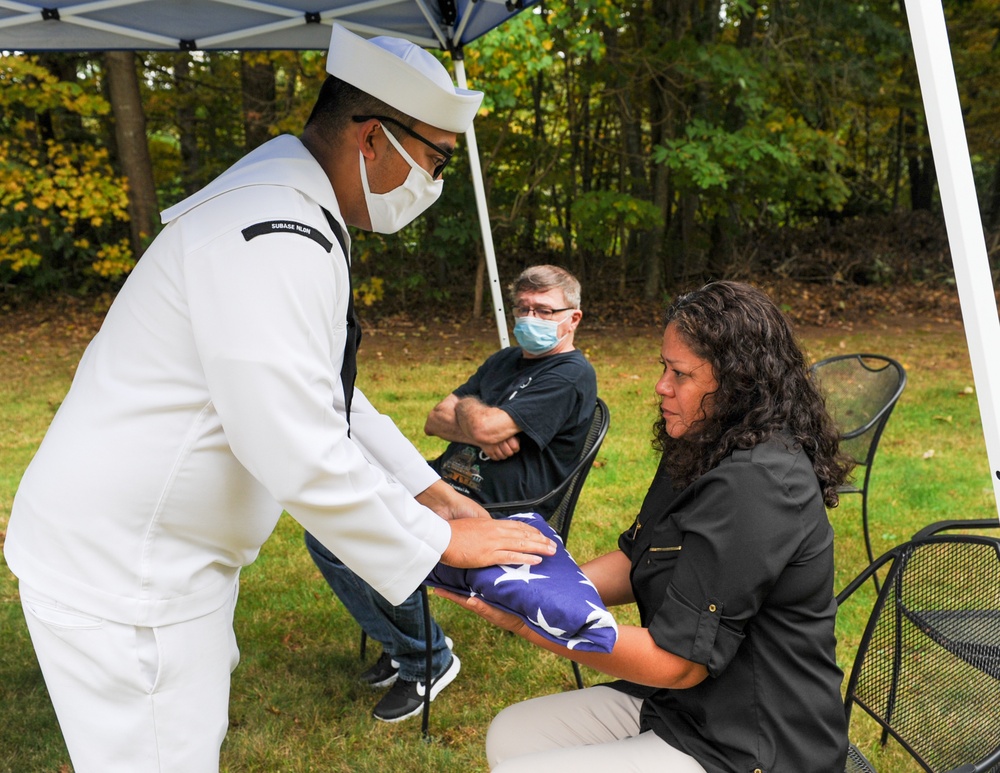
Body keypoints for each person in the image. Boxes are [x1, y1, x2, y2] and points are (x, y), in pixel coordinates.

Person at [3, 24, 556, 773]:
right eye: (433, 160)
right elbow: (293, 436)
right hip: (131, 575)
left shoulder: (291, 210)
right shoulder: (274, 233)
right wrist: (438, 543)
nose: (433, 181)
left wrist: (429, 490)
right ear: (372, 140)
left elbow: (331, 396)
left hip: (154, 558)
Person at [440, 280, 852, 772]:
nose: (661, 385)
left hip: (753, 742)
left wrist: (537, 624)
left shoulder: (758, 484)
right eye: (664, 366)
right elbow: (637, 559)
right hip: (683, 708)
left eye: (680, 373)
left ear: (740, 383)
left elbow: (678, 663)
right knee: (511, 735)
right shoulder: (704, 438)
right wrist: (525, 582)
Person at [305, 264, 598, 722]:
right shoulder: (505, 361)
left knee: (358, 538)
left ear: (573, 318)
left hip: (497, 511)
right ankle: (401, 642)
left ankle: (428, 660)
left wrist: (474, 416)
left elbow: (470, 418)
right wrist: (482, 425)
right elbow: (435, 418)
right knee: (327, 530)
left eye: (544, 310)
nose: (530, 318)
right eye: (523, 308)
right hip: (439, 486)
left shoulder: (570, 373)